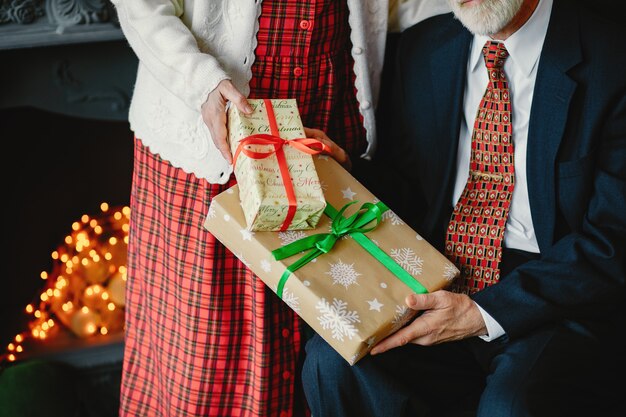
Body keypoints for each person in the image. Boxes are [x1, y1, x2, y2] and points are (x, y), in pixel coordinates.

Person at [109, 0, 449, 416]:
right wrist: (202, 83)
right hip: (209, 151)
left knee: (319, 352)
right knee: (206, 358)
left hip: (324, 152)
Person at [301, 0, 626, 416]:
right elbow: (409, 191)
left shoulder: (612, 59)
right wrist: (340, 169)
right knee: (335, 361)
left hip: (554, 292)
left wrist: (484, 312)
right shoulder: (423, 48)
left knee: (512, 404)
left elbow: (613, 238)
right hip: (436, 276)